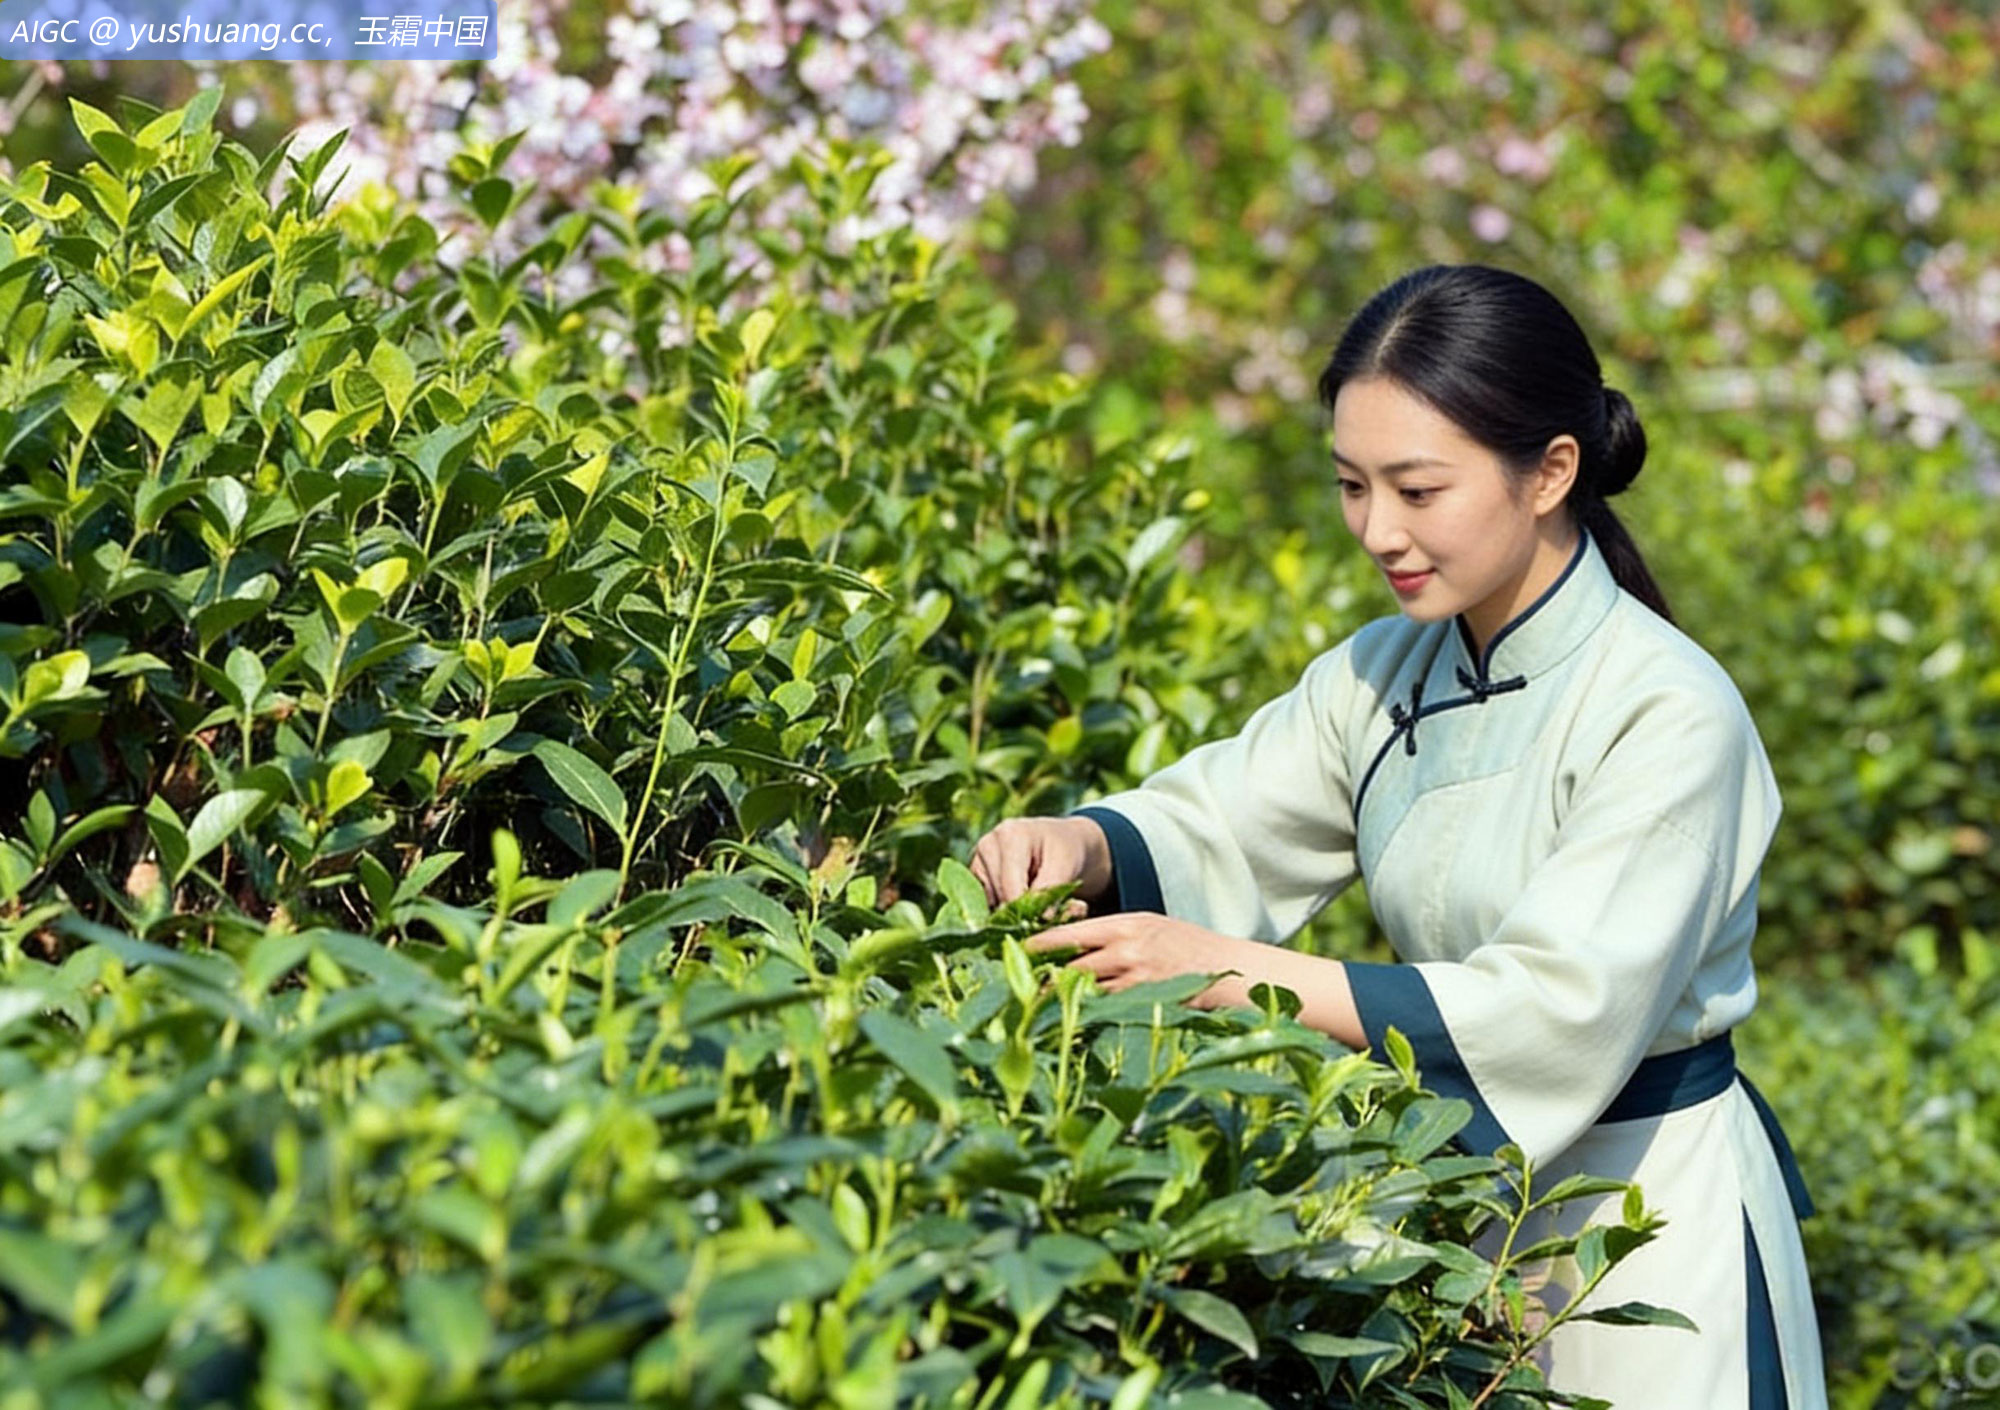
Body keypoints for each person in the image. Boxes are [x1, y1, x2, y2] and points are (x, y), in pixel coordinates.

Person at [967, 264, 1827, 1408]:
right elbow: (1223, 817)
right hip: (1452, 1223)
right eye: (1349, 486)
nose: (1378, 530)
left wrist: (1221, 971)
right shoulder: (1380, 672)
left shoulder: (1664, 709)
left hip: (1646, 1228)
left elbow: (1555, 1010)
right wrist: (1076, 843)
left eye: (1417, 490)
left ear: (1549, 472)